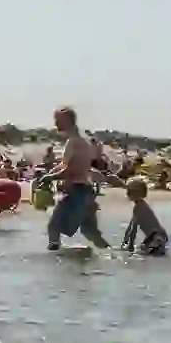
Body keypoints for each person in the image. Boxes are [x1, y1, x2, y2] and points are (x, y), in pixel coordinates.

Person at [42, 106, 111, 251]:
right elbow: (72, 165)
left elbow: (72, 170)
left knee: (53, 228)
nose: (55, 124)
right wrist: (50, 172)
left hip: (76, 192)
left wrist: (50, 177)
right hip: (87, 192)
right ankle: (113, 255)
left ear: (67, 120)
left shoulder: (73, 142)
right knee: (91, 232)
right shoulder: (84, 141)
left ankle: (56, 265)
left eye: (57, 120)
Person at [121, 176, 168, 256]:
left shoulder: (138, 208)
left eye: (129, 192)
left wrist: (130, 245)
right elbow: (131, 226)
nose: (127, 194)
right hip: (157, 236)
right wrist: (125, 241)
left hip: (155, 237)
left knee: (141, 254)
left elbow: (133, 229)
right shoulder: (141, 205)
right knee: (145, 250)